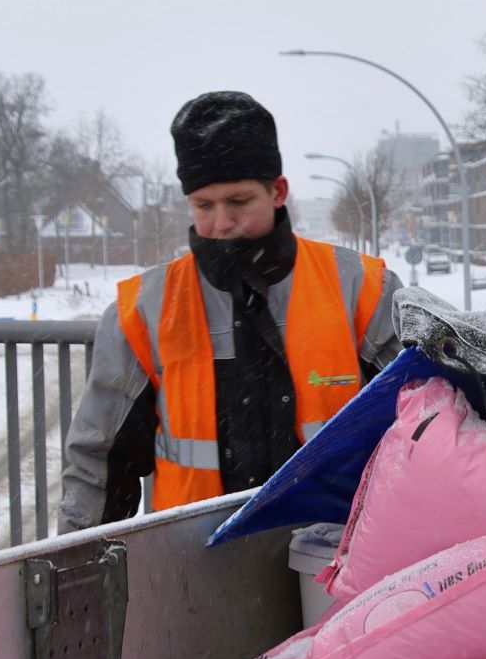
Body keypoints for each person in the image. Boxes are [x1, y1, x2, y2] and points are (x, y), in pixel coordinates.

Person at [59, 91, 403, 530]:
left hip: (336, 558)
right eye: (204, 205)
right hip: (194, 570)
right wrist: (81, 574)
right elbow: (100, 463)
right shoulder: (143, 310)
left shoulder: (362, 288)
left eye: (239, 202)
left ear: (277, 191)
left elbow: (422, 425)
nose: (221, 222)